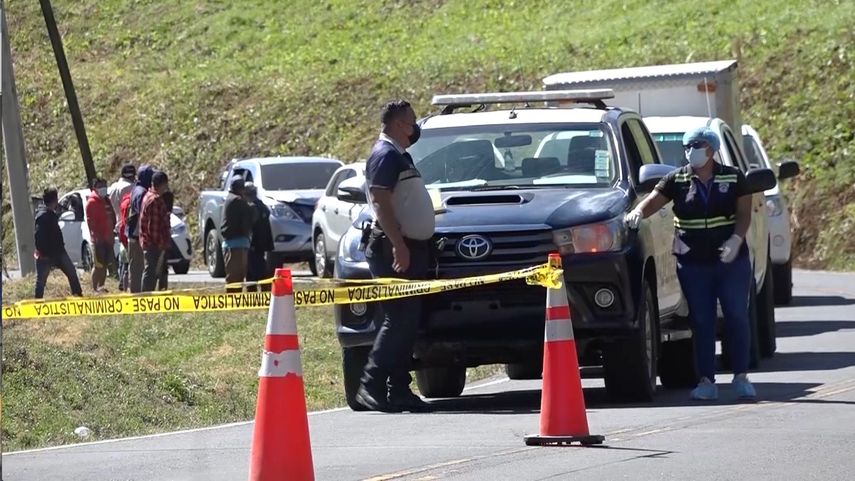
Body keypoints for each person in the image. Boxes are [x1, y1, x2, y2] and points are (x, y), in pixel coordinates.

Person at [625, 126, 756, 401]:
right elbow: (653, 201)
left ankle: (741, 375)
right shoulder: (677, 179)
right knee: (701, 319)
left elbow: (744, 214)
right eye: (687, 146)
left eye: (696, 145)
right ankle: (707, 380)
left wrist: (736, 239)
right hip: (692, 262)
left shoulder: (734, 178)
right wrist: (638, 212)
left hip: (730, 260)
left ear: (711, 148)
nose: (690, 151)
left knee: (736, 314)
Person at [355, 100, 435, 413]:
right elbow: (379, 200)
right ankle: (370, 385)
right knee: (398, 319)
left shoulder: (400, 155)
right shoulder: (384, 154)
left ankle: (399, 389)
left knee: (407, 322)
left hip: (410, 247)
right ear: (401, 124)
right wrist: (398, 244)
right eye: (412, 122)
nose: (415, 128)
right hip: (393, 248)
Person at [33, 187, 83, 298]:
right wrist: (43, 253)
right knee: (41, 281)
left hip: (59, 252)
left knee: (72, 273)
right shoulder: (43, 216)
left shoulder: (50, 214)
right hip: (46, 254)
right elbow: (38, 237)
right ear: (55, 200)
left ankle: (78, 296)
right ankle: (37, 303)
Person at [220, 175, 257, 292]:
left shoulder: (230, 198)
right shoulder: (237, 200)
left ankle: (235, 300)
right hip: (236, 245)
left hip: (234, 244)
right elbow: (250, 215)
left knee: (236, 277)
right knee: (235, 277)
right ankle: (232, 302)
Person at [139, 171, 172, 292]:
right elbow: (153, 227)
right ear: (162, 184)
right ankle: (147, 299)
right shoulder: (155, 200)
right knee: (151, 273)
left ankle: (161, 297)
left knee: (160, 271)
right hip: (154, 244)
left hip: (153, 243)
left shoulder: (148, 196)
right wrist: (161, 244)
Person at [84, 177, 116, 292]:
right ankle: (94, 288)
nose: (104, 188)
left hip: (108, 238)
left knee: (105, 265)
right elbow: (91, 223)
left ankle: (101, 287)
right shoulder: (92, 202)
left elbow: (112, 216)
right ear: (95, 187)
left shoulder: (106, 200)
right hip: (98, 240)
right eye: (101, 186)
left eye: (105, 186)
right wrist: (97, 237)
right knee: (98, 266)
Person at [127, 165, 154, 292]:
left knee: (137, 268)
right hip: (136, 235)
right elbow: (143, 213)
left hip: (136, 235)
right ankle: (136, 299)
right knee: (137, 270)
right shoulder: (141, 192)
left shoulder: (137, 189)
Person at [245, 182, 274, 290]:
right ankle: (264, 288)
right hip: (262, 243)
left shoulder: (252, 207)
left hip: (254, 244)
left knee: (252, 269)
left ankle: (253, 290)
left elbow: (251, 227)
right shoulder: (262, 206)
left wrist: (250, 242)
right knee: (261, 266)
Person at [158, 190, 175, 291]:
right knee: (158, 270)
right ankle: (161, 290)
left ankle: (162, 290)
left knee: (163, 269)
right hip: (158, 242)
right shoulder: (158, 206)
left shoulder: (166, 214)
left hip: (163, 241)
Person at [116, 190, 132, 291]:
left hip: (123, 234)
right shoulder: (130, 202)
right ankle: (124, 286)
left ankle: (122, 284)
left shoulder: (126, 200)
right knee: (127, 265)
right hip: (127, 236)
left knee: (125, 263)